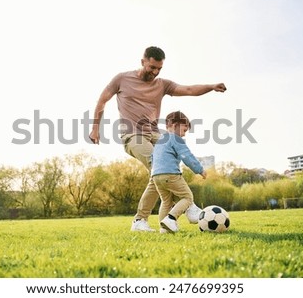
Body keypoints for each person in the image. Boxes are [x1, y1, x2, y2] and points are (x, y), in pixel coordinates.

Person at [89, 46, 226, 232]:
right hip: (133, 135)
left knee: (165, 170)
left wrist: (210, 87)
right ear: (143, 62)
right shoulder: (122, 79)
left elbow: (188, 89)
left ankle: (162, 221)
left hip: (156, 134)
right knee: (158, 168)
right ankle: (161, 214)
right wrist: (95, 127)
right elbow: (102, 100)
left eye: (158, 69)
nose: (154, 72)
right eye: (151, 67)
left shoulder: (162, 84)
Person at [151, 111, 207, 233]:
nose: (184, 135)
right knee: (187, 197)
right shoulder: (176, 139)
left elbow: (153, 157)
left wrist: (155, 172)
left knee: (166, 201)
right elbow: (187, 156)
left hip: (156, 176)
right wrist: (200, 170)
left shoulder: (160, 141)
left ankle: (164, 229)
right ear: (175, 124)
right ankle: (171, 219)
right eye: (184, 130)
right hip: (171, 174)